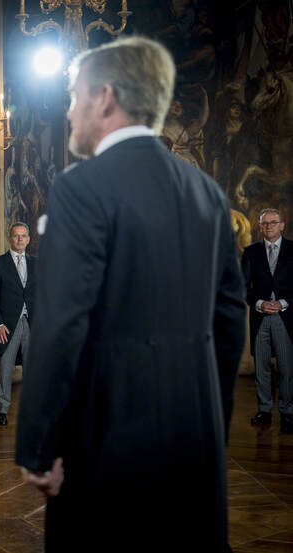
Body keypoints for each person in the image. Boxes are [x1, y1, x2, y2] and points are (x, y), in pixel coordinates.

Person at [15, 37, 245, 552]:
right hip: (195, 441)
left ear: (105, 97)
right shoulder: (208, 193)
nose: (69, 110)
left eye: (74, 95)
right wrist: (212, 426)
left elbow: (61, 323)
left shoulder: (80, 187)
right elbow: (230, 324)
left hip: (108, 442)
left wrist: (39, 445)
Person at [242, 208, 293, 432]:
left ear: (282, 225)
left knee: (287, 368)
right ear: (260, 227)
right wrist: (259, 303)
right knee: (261, 367)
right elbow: (243, 287)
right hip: (260, 316)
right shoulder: (251, 252)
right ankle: (264, 410)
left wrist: (282, 303)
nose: (268, 226)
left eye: (273, 222)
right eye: (264, 223)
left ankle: (287, 412)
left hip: (285, 317)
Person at [0, 222, 35, 426]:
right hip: (7, 325)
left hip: (32, 323)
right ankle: (2, 410)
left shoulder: (37, 263)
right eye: (16, 235)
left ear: (28, 239)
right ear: (10, 238)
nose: (20, 239)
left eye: (23, 236)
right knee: (6, 368)